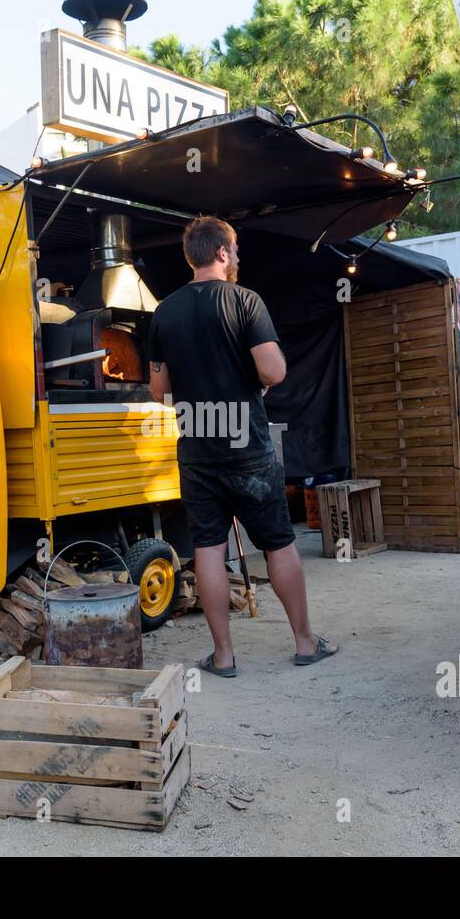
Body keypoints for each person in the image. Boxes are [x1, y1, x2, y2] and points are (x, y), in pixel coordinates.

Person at [147, 216, 336, 677]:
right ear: (222, 253)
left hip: (196, 446)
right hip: (247, 444)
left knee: (209, 547)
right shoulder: (246, 301)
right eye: (236, 248)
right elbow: (272, 371)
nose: (238, 256)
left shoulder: (164, 312)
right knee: (278, 542)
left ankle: (224, 656)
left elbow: (159, 391)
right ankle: (305, 642)